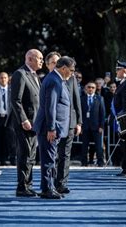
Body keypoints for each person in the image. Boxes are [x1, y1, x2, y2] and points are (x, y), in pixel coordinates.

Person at [33, 56, 75, 199]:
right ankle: (47, 189)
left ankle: (48, 187)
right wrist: (51, 128)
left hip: (53, 127)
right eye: (71, 70)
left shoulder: (57, 79)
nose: (72, 73)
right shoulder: (53, 80)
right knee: (49, 159)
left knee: (50, 158)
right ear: (63, 68)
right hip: (49, 127)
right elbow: (50, 107)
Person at [44, 51, 82, 194]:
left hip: (70, 122)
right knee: (52, 154)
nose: (55, 64)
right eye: (53, 62)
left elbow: (76, 100)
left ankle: (61, 183)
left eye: (57, 62)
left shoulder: (71, 79)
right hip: (55, 123)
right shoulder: (49, 79)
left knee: (65, 154)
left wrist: (79, 122)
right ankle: (50, 183)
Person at [10, 49, 43, 197]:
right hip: (25, 122)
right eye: (40, 58)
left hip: (34, 122)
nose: (42, 61)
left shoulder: (34, 75)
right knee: (24, 154)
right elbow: (15, 100)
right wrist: (23, 119)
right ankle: (22, 187)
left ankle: (28, 185)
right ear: (30, 58)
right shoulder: (20, 74)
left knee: (31, 155)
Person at [80, 82, 105, 167]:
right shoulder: (81, 99)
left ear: (95, 89)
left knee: (98, 145)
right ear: (86, 88)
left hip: (96, 126)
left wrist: (101, 126)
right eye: (89, 87)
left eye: (93, 87)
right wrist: (79, 125)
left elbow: (102, 113)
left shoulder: (99, 98)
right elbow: (79, 113)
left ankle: (100, 161)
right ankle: (84, 162)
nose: (90, 89)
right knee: (84, 145)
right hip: (85, 126)